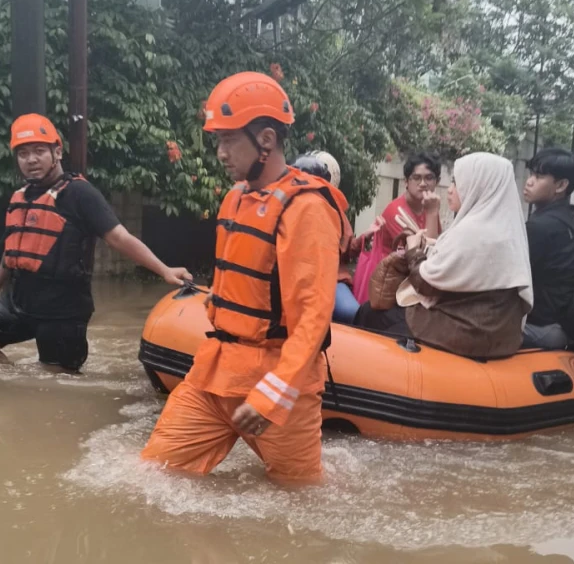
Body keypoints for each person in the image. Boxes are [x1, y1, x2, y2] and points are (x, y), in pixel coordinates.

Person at [141, 71, 347, 484]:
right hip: (217, 371)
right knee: (151, 475)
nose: (219, 152)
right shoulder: (235, 198)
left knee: (301, 499)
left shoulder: (306, 209)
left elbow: (312, 315)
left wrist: (275, 390)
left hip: (280, 385)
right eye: (217, 140)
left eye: (228, 139)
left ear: (266, 140)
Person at [0, 114, 192, 372]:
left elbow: (119, 238)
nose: (31, 159)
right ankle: (17, 382)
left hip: (62, 309)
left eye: (39, 151)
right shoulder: (20, 196)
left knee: (53, 381)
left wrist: (164, 270)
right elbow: (13, 247)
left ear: (57, 151)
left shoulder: (80, 193)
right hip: (19, 301)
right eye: (23, 154)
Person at [356, 153, 533, 359]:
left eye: (457, 183)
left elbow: (425, 282)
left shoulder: (472, 231)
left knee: (370, 313)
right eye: (417, 178)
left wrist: (414, 249)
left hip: (466, 331)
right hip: (499, 332)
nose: (449, 189)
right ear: (406, 182)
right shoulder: (509, 231)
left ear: (477, 186)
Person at [351, 153, 442, 304]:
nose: (423, 183)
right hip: (390, 285)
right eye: (416, 178)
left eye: (429, 177)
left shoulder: (429, 207)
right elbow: (427, 256)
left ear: (437, 181)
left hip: (411, 280)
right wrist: (432, 213)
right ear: (406, 181)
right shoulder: (396, 211)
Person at [521, 148, 574, 350]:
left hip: (541, 327)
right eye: (531, 174)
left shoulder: (541, 227)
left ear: (561, 185)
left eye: (538, 177)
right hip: (568, 324)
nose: (529, 181)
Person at [290, 151, 360, 324]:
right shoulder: (284, 203)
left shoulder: (335, 211)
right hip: (292, 274)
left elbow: (346, 249)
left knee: (351, 312)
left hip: (330, 277)